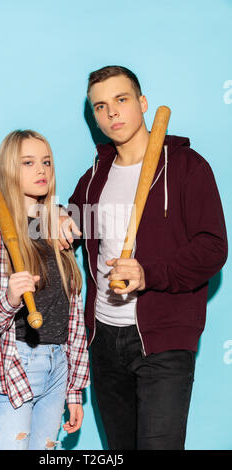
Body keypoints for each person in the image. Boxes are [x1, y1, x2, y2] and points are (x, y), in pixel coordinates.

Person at [60, 65, 228, 450]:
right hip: (103, 339)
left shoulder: (188, 168)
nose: (112, 113)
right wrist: (55, 216)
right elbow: (68, 227)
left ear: (142, 102)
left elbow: (213, 247)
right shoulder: (95, 176)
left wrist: (148, 273)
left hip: (163, 341)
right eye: (100, 106)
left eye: (121, 100)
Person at [0, 129, 90, 450]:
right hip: (13, 366)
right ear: (8, 171)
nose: (41, 170)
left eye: (46, 162)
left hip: (58, 367)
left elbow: (71, 319)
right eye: (28, 163)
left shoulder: (58, 232)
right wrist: (9, 300)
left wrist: (74, 389)